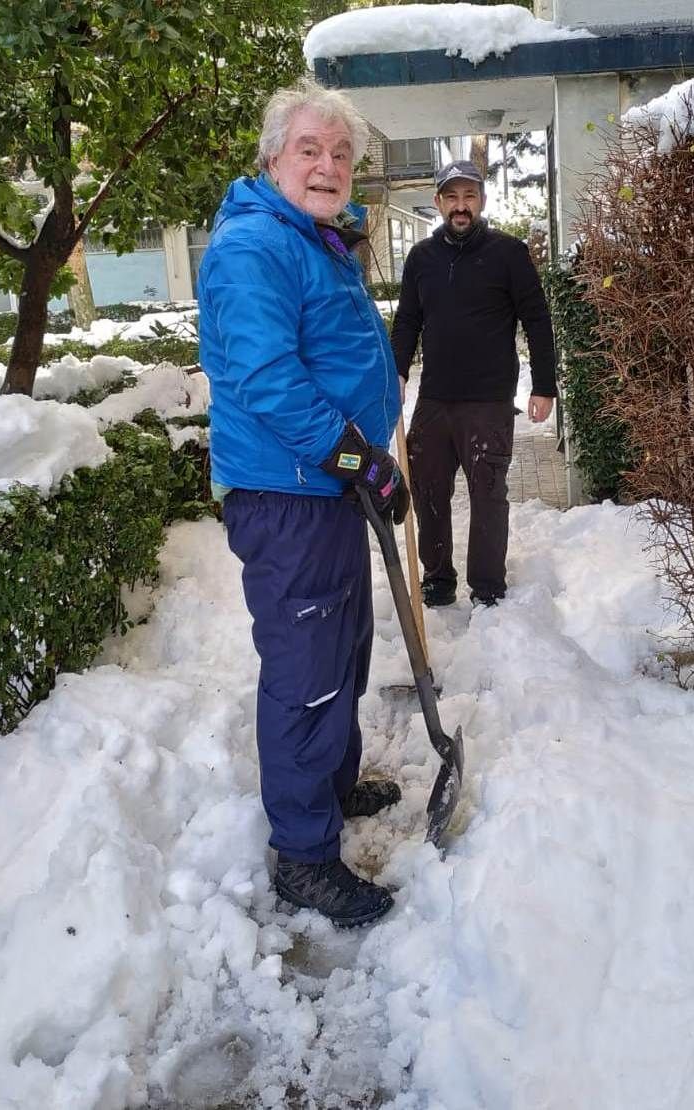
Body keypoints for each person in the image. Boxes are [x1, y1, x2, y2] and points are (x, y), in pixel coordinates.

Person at [198, 79, 408, 928]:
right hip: (289, 494)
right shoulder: (255, 248)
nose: (327, 166)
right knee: (307, 674)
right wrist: (361, 460)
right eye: (309, 150)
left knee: (342, 648)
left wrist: (363, 463)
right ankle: (304, 855)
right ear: (273, 158)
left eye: (341, 155)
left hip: (323, 486)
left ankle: (329, 784)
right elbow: (268, 382)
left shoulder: (311, 236)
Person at [391, 160, 558, 608]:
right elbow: (407, 320)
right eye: (452, 197)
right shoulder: (421, 260)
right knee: (426, 490)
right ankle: (438, 577)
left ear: (482, 202)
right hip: (435, 400)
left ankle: (487, 587)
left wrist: (544, 384)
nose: (460, 207)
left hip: (488, 401)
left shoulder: (508, 253)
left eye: (469, 197)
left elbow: (537, 320)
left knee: (487, 494)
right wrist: (397, 372)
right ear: (438, 203)